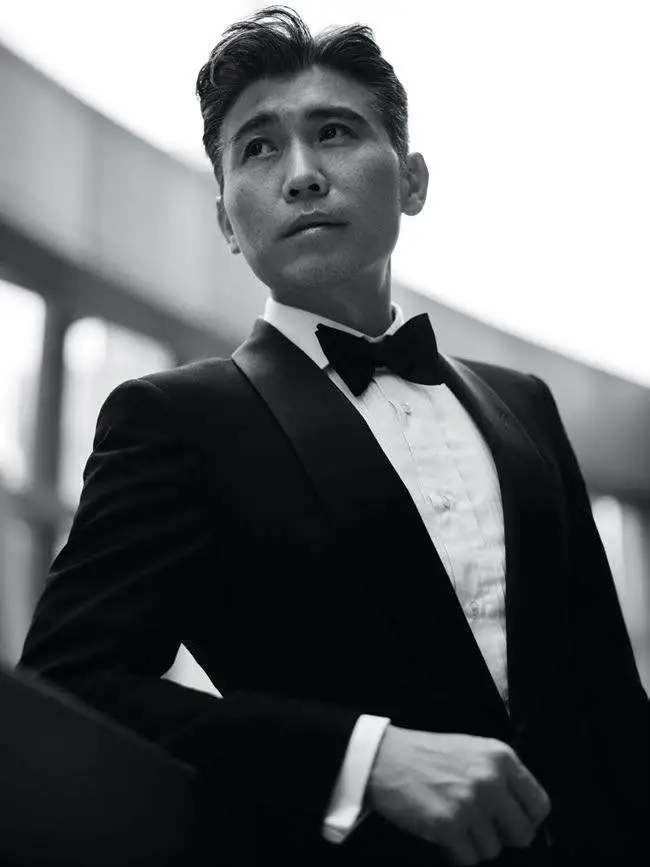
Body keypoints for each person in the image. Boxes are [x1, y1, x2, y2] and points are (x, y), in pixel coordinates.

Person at [18, 6, 648, 866]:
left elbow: (612, 703)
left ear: (412, 181)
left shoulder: (524, 405)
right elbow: (68, 685)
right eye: (259, 147)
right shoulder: (171, 419)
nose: (303, 175)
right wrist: (360, 757)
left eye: (335, 132)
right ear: (226, 222)